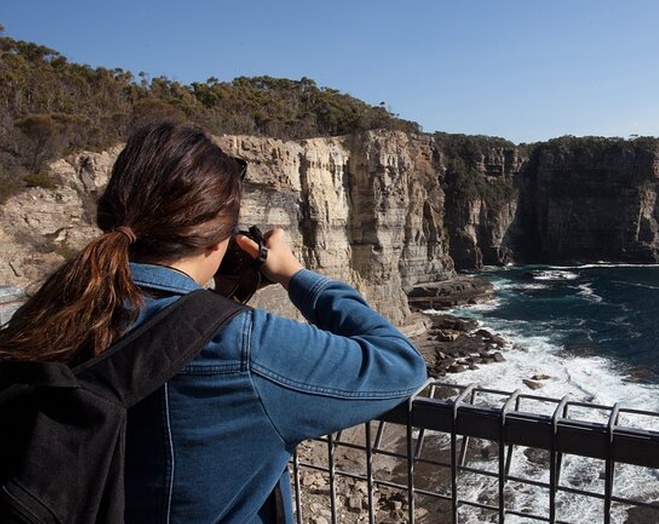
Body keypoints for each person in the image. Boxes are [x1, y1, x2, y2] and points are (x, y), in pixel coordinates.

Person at [0, 121, 428, 522]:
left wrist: (215, 305)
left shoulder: (49, 313)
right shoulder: (244, 346)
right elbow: (401, 364)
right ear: (220, 238)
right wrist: (296, 275)